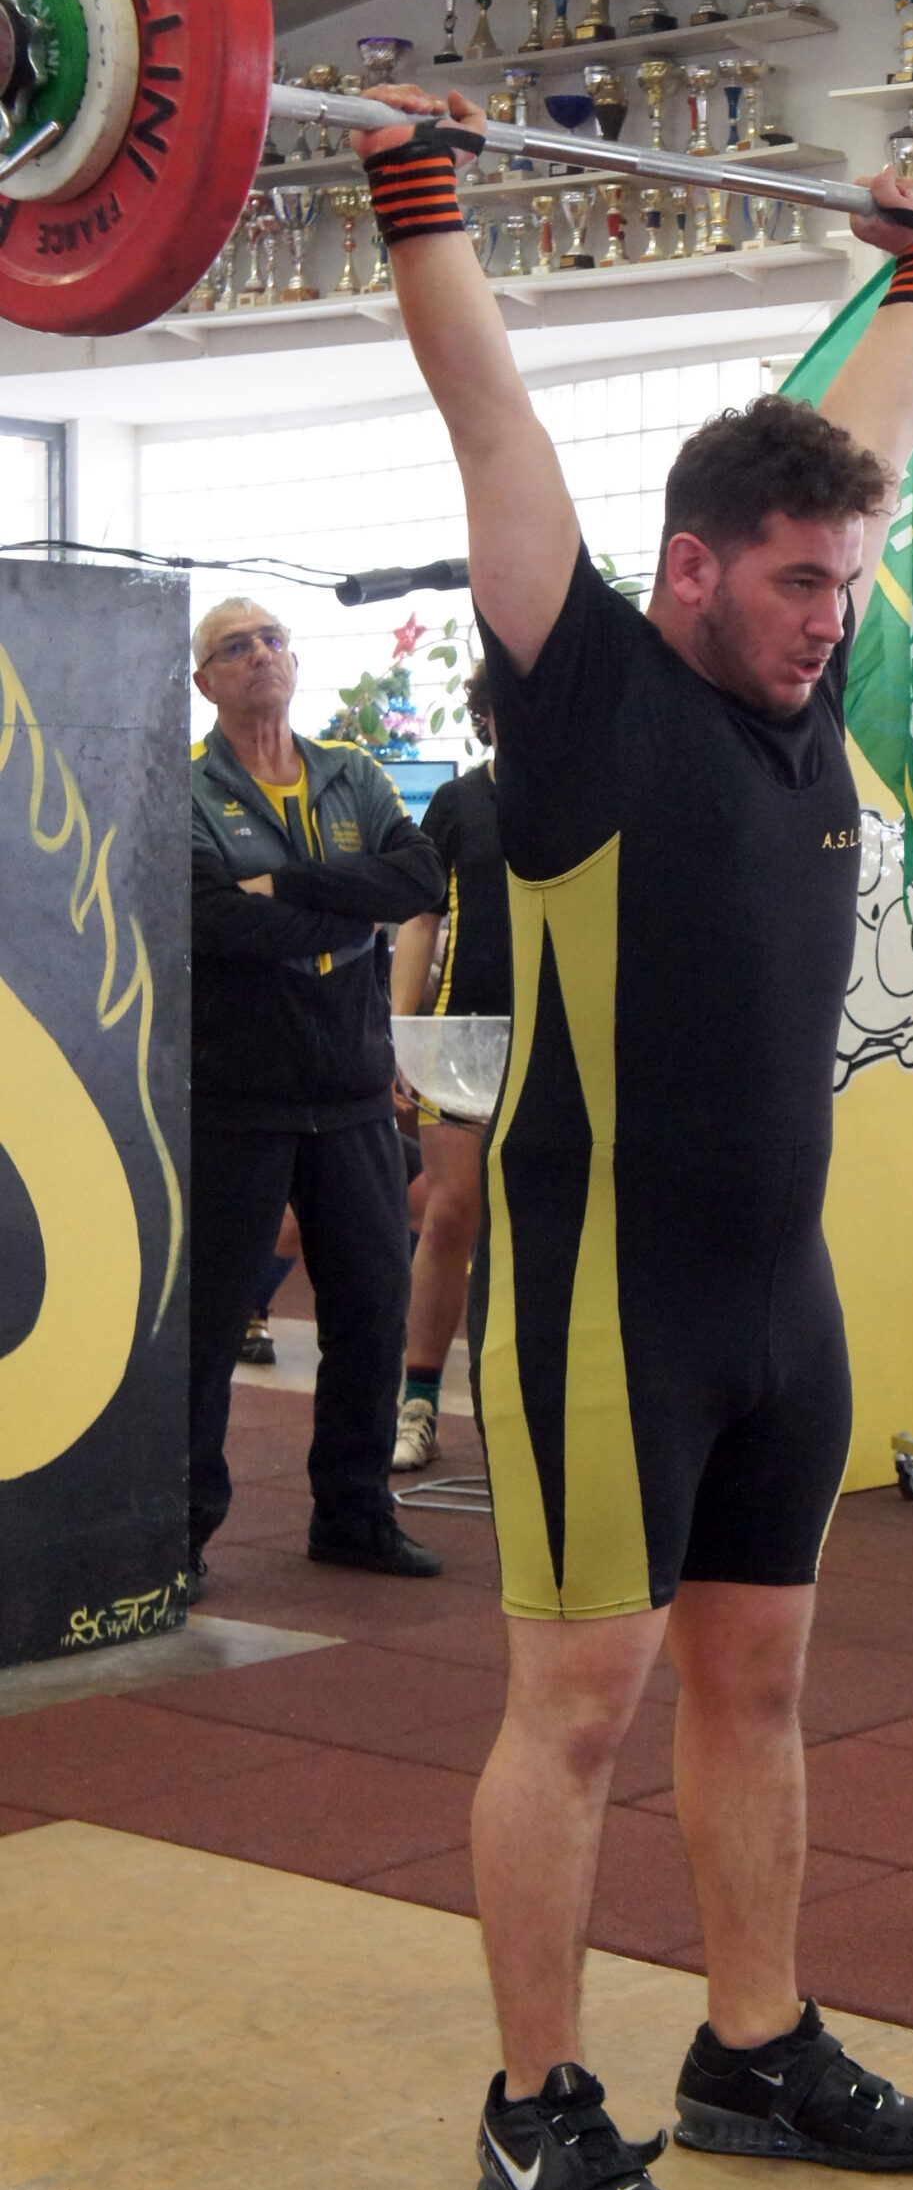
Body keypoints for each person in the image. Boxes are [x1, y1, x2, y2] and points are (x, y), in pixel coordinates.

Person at [354, 88, 913, 2190]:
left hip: (777, 1307)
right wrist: (419, 197)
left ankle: (753, 2043)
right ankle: (535, 2104)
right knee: (577, 1706)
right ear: (687, 569)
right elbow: (491, 414)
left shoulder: (807, 667)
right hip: (603, 1303)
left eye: (848, 581)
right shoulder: (589, 694)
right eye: (798, 582)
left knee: (759, 1681)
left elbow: (878, 413)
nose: (830, 617)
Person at [189, 597, 447, 1591]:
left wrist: (286, 888)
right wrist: (348, 907)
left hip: (350, 1094)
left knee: (372, 1311)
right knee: (207, 1325)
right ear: (205, 681)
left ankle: (353, 1515)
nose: (261, 654)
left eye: (273, 639)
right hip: (236, 1094)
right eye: (236, 646)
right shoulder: (187, 789)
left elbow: (417, 877)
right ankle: (180, 1531)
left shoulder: (352, 772)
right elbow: (212, 923)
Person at [390, 661, 509, 1472]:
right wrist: (403, 1033)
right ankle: (418, 1402)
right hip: (464, 1039)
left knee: (549, 1227)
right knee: (451, 1212)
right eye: (508, 704)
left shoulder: (590, 797)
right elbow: (421, 920)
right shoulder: (458, 802)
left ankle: (528, 1408)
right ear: (486, 715)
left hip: (561, 1041)